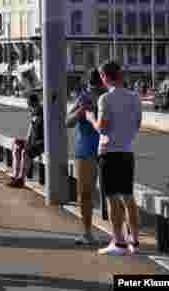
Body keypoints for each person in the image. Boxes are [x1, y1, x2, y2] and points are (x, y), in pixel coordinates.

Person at [90, 60, 142, 256]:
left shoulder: (105, 99)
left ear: (104, 77)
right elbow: (137, 124)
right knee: (128, 198)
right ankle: (134, 242)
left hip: (108, 153)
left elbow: (102, 127)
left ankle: (118, 242)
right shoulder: (135, 97)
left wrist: (90, 118)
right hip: (127, 152)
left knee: (113, 199)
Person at [67, 69, 104, 246]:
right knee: (86, 194)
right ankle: (88, 232)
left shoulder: (108, 98)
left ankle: (116, 235)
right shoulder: (84, 98)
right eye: (93, 85)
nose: (95, 88)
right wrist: (80, 112)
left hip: (102, 150)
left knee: (108, 194)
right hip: (88, 150)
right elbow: (68, 121)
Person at [6, 93, 44, 188]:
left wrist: (28, 144)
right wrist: (25, 141)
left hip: (42, 142)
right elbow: (31, 129)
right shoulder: (34, 113)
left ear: (36, 103)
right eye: (29, 105)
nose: (30, 107)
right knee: (16, 146)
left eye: (31, 105)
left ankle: (21, 179)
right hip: (33, 142)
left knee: (25, 152)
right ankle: (15, 176)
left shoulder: (44, 113)